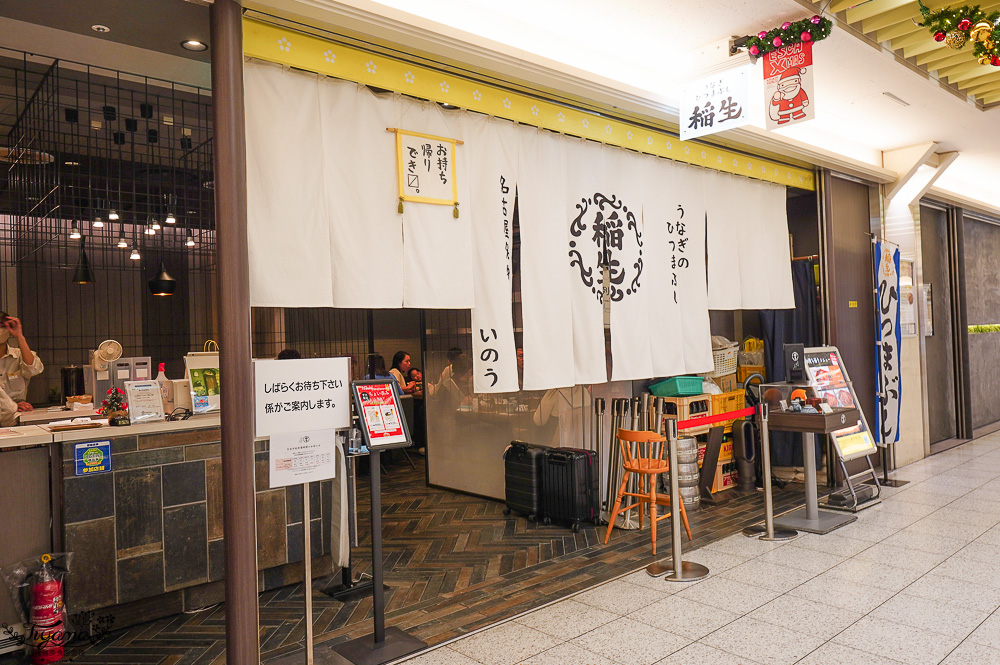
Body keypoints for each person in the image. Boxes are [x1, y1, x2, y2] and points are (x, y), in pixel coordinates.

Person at [0, 313, 44, 427]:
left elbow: (33, 369)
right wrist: (11, 406)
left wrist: (19, 336)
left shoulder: (18, 355)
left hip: (14, 422)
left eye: (3, 326)